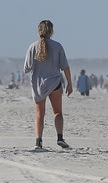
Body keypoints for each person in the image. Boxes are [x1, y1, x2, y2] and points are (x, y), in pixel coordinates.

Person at [23, 20, 73, 150]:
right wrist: (69, 83)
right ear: (51, 31)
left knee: (40, 114)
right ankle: (60, 137)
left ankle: (38, 141)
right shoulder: (57, 46)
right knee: (57, 112)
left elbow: (26, 68)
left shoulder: (33, 47)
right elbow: (65, 67)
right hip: (55, 83)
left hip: (39, 85)